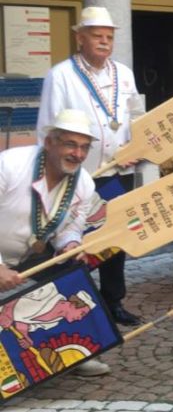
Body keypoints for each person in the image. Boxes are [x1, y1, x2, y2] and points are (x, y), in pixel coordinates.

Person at [36, 6, 140, 326]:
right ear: (80, 38)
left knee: (116, 239)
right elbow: (48, 128)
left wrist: (137, 146)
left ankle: (114, 301)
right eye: (97, 36)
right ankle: (81, 300)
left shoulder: (124, 73)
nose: (104, 42)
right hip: (80, 174)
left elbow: (137, 115)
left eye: (109, 37)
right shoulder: (61, 75)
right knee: (75, 239)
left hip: (119, 172)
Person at [0, 108, 110, 376]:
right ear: (50, 142)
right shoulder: (9, 164)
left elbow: (72, 225)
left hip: (31, 254)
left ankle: (78, 353)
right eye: (70, 144)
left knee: (72, 272)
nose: (78, 154)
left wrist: (70, 244)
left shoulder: (83, 182)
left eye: (84, 147)